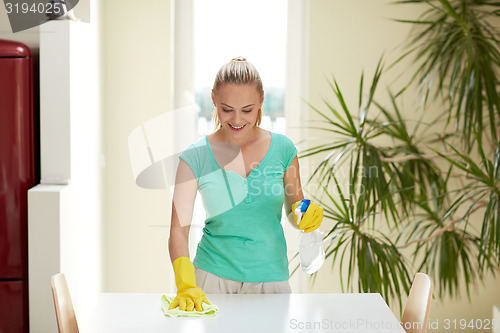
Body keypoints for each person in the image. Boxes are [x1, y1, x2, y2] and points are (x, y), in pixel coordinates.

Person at [168, 57, 324, 312]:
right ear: (214, 100)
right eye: (227, 109)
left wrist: (306, 213)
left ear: (262, 100)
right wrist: (185, 283)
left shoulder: (283, 149)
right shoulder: (195, 156)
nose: (237, 119)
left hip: (271, 279)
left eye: (247, 110)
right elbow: (178, 230)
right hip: (212, 279)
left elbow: (295, 211)